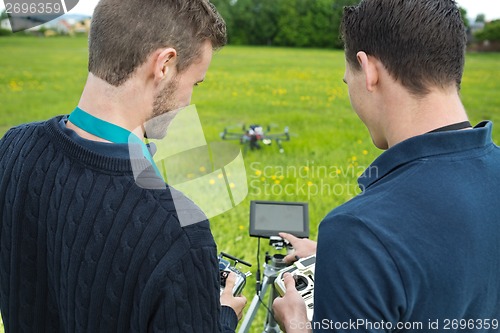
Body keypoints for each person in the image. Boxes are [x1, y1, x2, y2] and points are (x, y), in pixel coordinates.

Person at [0, 0, 246, 332]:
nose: (190, 100)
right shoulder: (179, 230)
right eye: (195, 83)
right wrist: (222, 314)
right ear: (164, 65)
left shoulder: (13, 147)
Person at [273, 0, 500, 332]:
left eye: (345, 79)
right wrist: (350, 263)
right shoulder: (364, 242)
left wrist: (297, 325)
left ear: (368, 70)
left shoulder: (359, 229)